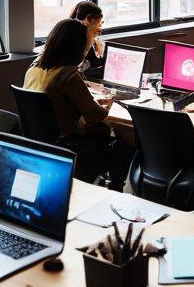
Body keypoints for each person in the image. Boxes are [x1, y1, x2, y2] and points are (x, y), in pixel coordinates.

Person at [23, 18, 133, 189]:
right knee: (127, 136)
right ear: (78, 47)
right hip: (73, 146)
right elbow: (96, 115)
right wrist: (106, 106)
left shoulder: (33, 69)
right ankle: (117, 189)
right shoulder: (68, 75)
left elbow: (57, 105)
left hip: (43, 144)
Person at [69, 1, 106, 81]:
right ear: (87, 20)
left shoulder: (68, 35)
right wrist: (100, 53)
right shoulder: (79, 44)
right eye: (98, 23)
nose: (100, 27)